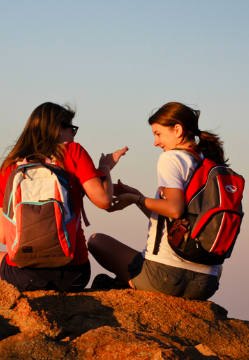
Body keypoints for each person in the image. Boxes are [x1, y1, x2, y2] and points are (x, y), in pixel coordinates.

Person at [0, 102, 128, 292]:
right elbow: (103, 200)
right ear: (57, 128)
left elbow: (3, 236)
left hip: (24, 275)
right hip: (74, 274)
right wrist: (105, 167)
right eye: (72, 129)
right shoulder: (73, 151)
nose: (73, 135)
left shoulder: (10, 166)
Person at [88, 102, 228, 300]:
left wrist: (134, 198)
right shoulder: (207, 164)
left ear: (177, 130)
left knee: (96, 241)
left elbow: (173, 208)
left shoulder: (171, 158)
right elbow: (175, 221)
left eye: (158, 134)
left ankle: (121, 286)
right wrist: (137, 197)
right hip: (206, 283)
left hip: (164, 278)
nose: (155, 142)